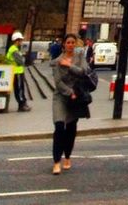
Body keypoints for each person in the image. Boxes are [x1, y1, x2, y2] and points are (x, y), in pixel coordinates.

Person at [50, 33, 92, 174]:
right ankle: (56, 162)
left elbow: (84, 72)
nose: (70, 45)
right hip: (61, 97)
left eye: (73, 42)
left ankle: (67, 156)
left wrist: (69, 65)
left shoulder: (80, 58)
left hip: (76, 98)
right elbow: (57, 82)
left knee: (71, 129)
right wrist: (69, 92)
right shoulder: (56, 61)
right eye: (68, 42)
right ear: (64, 44)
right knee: (59, 126)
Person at [6, 32, 29, 111]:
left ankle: (22, 103)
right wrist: (22, 58)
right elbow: (21, 61)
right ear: (16, 41)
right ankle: (22, 105)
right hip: (17, 72)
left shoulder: (14, 49)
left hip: (17, 71)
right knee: (19, 88)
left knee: (19, 88)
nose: (21, 42)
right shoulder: (14, 50)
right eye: (20, 40)